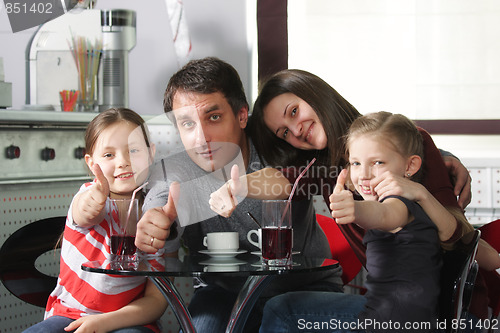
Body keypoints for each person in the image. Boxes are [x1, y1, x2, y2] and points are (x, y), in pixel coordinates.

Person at [245, 69, 499, 322]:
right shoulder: (327, 171)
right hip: (391, 308)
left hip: (446, 311)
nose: (296, 130)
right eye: (285, 133)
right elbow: (283, 179)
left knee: (282, 310)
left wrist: (416, 195)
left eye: (293, 112)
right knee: (280, 307)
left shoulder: (408, 151)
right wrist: (235, 187)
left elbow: (394, 216)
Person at [134, 57, 343, 333]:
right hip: (222, 294)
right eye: (187, 124)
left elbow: (304, 174)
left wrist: (243, 185)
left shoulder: (279, 139)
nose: (201, 138)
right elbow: (162, 192)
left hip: (303, 286)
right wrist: (154, 217)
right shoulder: (179, 169)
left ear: (242, 115)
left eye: (214, 117)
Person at [261, 111, 448, 332]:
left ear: (410, 166)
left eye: (377, 162)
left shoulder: (399, 203)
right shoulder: (413, 202)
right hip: (392, 315)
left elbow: (383, 214)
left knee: (281, 309)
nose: (364, 174)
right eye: (356, 163)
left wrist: (355, 208)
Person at [24, 108, 167, 333]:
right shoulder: (89, 196)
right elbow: (86, 211)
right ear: (92, 164)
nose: (123, 162)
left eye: (134, 150)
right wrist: (96, 199)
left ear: (151, 153)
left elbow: (157, 301)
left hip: (129, 321)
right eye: (109, 155)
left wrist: (103, 322)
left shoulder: (159, 215)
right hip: (70, 315)